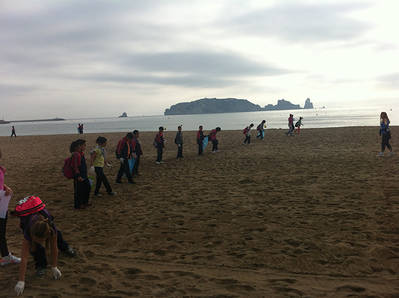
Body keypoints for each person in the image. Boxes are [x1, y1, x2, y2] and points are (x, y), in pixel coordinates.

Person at [13, 196, 75, 296]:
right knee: (35, 249)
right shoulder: (28, 232)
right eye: (38, 240)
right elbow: (24, 257)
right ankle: (41, 265)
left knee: (58, 236)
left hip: (46, 224)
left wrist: (54, 266)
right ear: (32, 236)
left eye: (42, 240)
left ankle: (65, 247)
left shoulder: (50, 228)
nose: (41, 242)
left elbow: (54, 249)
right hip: (28, 219)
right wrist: (21, 281)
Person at [0, 148, 21, 266]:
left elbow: (0, 183)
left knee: (1, 232)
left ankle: (6, 256)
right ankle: (6, 256)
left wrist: (5, 187)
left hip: (2, 206)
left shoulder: (1, 169)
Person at [70, 139, 91, 209]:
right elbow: (75, 167)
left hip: (84, 175)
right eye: (84, 145)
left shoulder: (81, 153)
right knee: (79, 191)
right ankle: (78, 205)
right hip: (79, 176)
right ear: (79, 146)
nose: (85, 147)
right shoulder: (76, 154)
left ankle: (85, 202)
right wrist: (78, 176)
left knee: (87, 187)